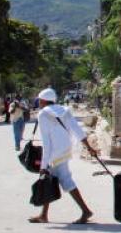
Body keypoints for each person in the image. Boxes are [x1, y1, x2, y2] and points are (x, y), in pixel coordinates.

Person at [29, 88, 98, 224]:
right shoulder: (65, 110)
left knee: (60, 180)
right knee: (49, 179)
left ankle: (85, 210)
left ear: (43, 101)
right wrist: (89, 147)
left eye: (40, 101)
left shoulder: (43, 114)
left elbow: (47, 142)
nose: (39, 103)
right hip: (65, 150)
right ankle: (44, 215)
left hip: (54, 153)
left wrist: (43, 165)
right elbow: (77, 130)